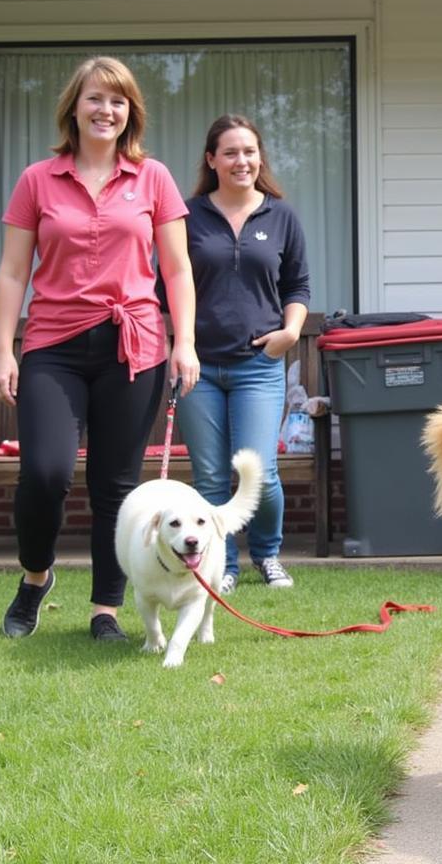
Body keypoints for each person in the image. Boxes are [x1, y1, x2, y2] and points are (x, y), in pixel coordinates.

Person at [0, 56, 200, 640]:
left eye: (118, 101)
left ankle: (105, 609)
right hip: (53, 345)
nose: (106, 110)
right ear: (74, 108)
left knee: (116, 485)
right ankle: (36, 577)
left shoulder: (152, 177)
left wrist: (184, 341)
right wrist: (3, 350)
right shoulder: (38, 179)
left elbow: (178, 270)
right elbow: (12, 273)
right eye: (95, 99)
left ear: (129, 112)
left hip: (134, 345)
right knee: (45, 472)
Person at [175, 114, 310, 593]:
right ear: (212, 160)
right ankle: (223, 564)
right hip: (199, 369)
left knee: (259, 472)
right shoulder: (187, 217)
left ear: (260, 158)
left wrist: (291, 331)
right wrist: (180, 345)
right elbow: (166, 284)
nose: (242, 161)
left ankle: (268, 553)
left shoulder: (281, 216)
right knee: (210, 475)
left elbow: (298, 285)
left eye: (249, 151)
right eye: (230, 152)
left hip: (259, 365)